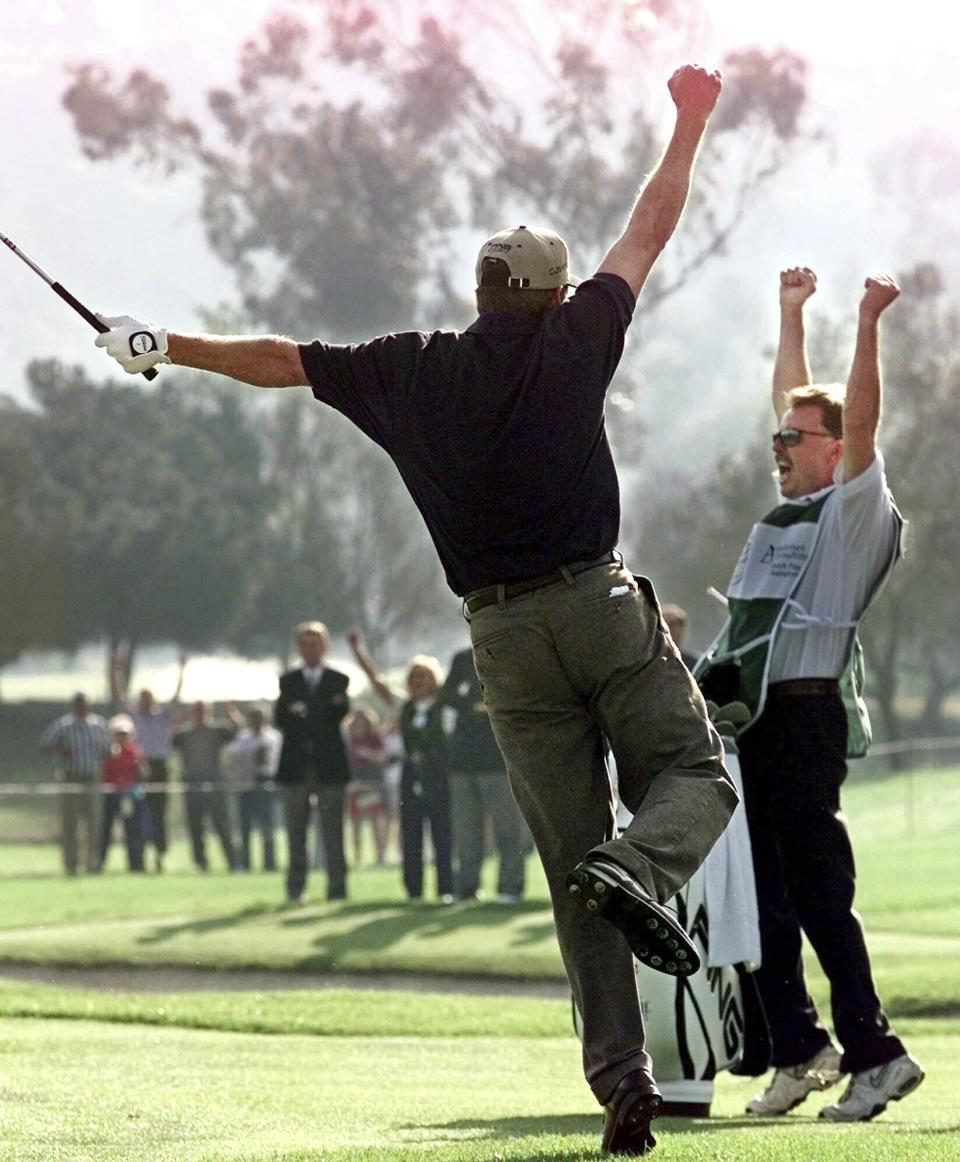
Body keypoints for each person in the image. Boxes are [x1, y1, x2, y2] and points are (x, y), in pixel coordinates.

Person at [95, 64, 738, 1155]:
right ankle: (643, 867)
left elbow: (280, 359)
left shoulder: (409, 369)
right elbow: (652, 223)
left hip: (499, 641)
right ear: (546, 296)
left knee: (567, 858)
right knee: (698, 775)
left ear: (482, 292)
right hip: (598, 608)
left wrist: (165, 346)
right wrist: (689, 119)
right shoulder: (578, 338)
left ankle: (621, 1080)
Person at [695, 267, 923, 1122]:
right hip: (753, 721)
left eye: (797, 439)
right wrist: (789, 312)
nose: (780, 447)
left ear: (836, 451)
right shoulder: (786, 512)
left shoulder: (853, 511)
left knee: (820, 892)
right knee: (764, 896)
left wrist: (866, 322)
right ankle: (800, 1048)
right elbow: (793, 401)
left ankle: (877, 1054)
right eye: (779, 439)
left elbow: (858, 415)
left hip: (803, 713)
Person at [349, 633, 455, 902]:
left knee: (442, 831)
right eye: (414, 677)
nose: (419, 682)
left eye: (424, 676)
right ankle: (414, 890)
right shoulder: (404, 707)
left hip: (438, 773)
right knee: (410, 832)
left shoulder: (445, 707)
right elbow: (378, 684)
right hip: (411, 773)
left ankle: (446, 888)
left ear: (434, 679)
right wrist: (358, 651)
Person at [439, 645, 528, 903]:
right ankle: (467, 887)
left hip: (499, 760)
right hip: (463, 761)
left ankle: (510, 887)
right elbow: (445, 695)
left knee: (507, 829)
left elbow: (516, 695)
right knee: (466, 830)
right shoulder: (462, 659)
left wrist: (485, 703)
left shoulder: (510, 653)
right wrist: (475, 703)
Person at [275, 622, 351, 903]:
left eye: (315, 643)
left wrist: (305, 712)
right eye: (304, 644)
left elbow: (337, 713)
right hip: (296, 768)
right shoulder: (289, 681)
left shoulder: (338, 679)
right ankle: (296, 889)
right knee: (296, 834)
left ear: (325, 646)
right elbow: (282, 719)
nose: (310, 649)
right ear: (298, 648)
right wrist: (317, 711)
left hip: (329, 768)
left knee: (333, 832)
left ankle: (337, 888)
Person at [111, 648, 187, 872]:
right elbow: (119, 696)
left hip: (159, 765)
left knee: (159, 813)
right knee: (137, 812)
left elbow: (176, 696)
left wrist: (182, 670)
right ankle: (139, 857)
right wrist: (117, 669)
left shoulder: (161, 715)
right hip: (138, 766)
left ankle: (160, 853)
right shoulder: (133, 716)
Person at [39, 693, 111, 875]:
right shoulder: (64, 725)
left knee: (93, 823)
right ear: (73, 706)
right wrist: (60, 749)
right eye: (78, 704)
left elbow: (107, 750)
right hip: (70, 777)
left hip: (92, 778)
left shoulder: (98, 725)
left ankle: (92, 864)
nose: (81, 707)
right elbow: (45, 744)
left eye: (84, 704)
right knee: (70, 824)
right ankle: (71, 865)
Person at [172, 700, 242, 871]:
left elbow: (237, 729)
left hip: (215, 784)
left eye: (203, 711)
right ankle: (201, 863)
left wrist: (231, 711)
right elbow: (171, 742)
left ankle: (233, 862)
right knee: (196, 826)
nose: (200, 714)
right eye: (197, 711)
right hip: (193, 784)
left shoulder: (217, 730)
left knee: (222, 825)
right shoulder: (184, 733)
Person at [225, 705, 281, 872]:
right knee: (244, 827)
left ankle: (270, 864)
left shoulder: (273, 736)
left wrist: (253, 758)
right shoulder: (242, 737)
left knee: (267, 826)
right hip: (245, 784)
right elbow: (237, 758)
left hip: (265, 782)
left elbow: (267, 760)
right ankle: (245, 864)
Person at [98, 714, 149, 872]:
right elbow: (101, 774)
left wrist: (138, 762)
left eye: (124, 734)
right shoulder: (107, 752)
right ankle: (99, 864)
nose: (121, 737)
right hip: (110, 796)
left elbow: (144, 774)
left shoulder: (135, 751)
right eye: (118, 734)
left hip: (130, 797)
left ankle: (136, 866)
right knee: (105, 831)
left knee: (133, 832)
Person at [343, 708, 390, 866]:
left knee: (376, 820)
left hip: (373, 784)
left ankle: (380, 856)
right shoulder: (348, 739)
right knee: (355, 821)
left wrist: (367, 753)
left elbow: (383, 757)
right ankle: (357, 857)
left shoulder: (375, 738)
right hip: (355, 785)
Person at [660, 604, 699, 671]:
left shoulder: (695, 663)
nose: (667, 629)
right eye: (664, 623)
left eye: (672, 624)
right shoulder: (647, 660)